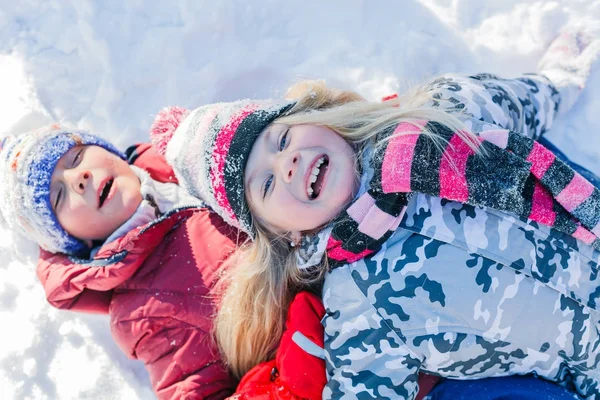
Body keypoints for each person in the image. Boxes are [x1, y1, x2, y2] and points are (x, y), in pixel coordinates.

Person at [150, 30, 600, 399]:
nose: (285, 164)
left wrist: (562, 76)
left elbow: (522, 100)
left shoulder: (438, 115)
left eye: (281, 140)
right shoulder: (360, 306)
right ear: (283, 234)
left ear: (316, 118)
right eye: (265, 185)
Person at [0, 125, 243, 399]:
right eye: (59, 196)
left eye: (76, 157)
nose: (79, 178)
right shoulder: (146, 311)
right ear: (73, 239)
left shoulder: (187, 155)